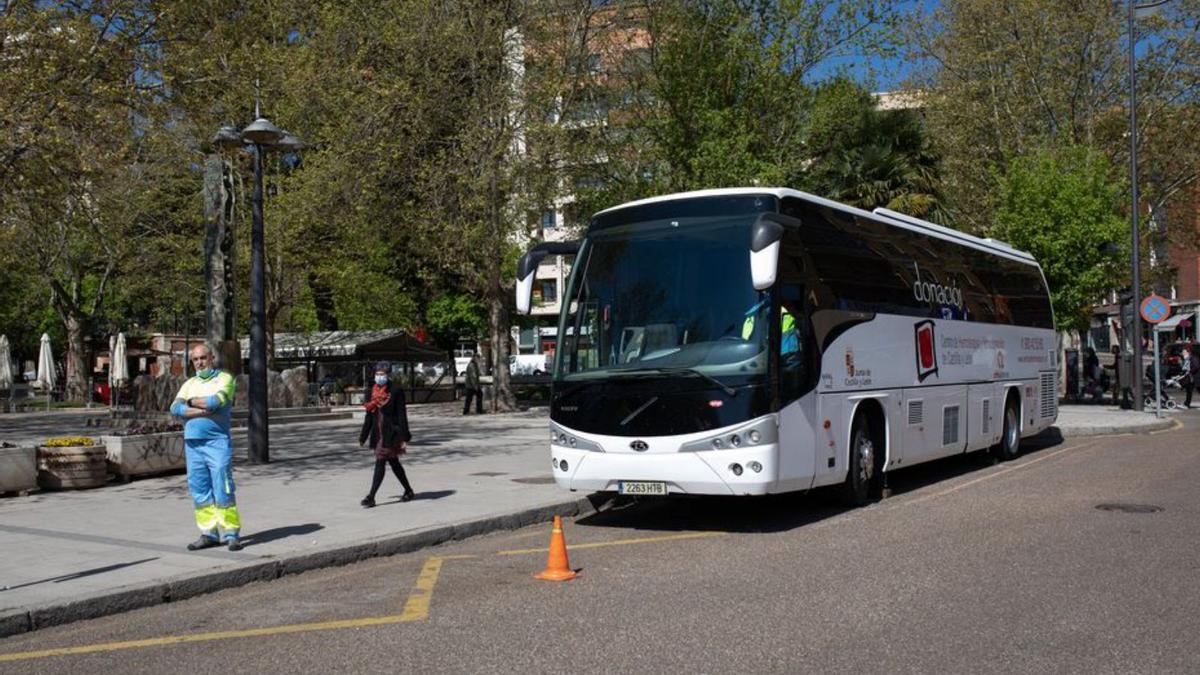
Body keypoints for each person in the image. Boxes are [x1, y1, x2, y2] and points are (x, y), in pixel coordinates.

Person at [170, 344, 241, 551]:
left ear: (212, 358)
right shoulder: (189, 383)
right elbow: (175, 408)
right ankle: (208, 533)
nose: (199, 362)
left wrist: (190, 403)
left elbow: (215, 402)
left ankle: (231, 533)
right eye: (195, 360)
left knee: (222, 487)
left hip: (217, 442)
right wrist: (201, 411)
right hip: (193, 444)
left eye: (203, 358)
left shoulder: (225, 379)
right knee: (199, 490)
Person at [359, 362, 415, 507]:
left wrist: (404, 436)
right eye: (377, 374)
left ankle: (371, 496)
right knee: (393, 462)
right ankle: (408, 490)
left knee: (381, 459)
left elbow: (402, 415)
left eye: (382, 374)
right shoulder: (371, 392)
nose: (379, 377)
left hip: (391, 432)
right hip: (378, 431)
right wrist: (363, 436)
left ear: (388, 374)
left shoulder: (395, 390)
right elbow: (369, 416)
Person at [1184, 345, 1200, 409]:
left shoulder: (1194, 358)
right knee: (1189, 390)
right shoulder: (1193, 357)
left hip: (1195, 377)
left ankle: (1187, 403)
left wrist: (1190, 370)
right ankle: (1187, 403)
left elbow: (1196, 366)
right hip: (1194, 376)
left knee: (1190, 390)